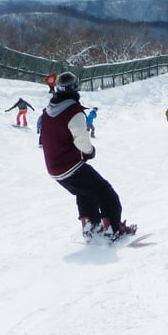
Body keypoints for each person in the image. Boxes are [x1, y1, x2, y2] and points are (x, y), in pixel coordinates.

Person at [40, 71, 136, 242]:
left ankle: (90, 224)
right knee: (106, 193)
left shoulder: (48, 111)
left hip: (54, 168)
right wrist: (89, 152)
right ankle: (113, 229)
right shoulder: (73, 111)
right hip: (70, 165)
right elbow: (81, 140)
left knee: (85, 192)